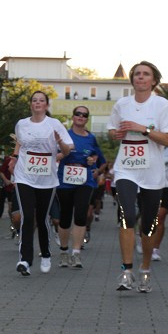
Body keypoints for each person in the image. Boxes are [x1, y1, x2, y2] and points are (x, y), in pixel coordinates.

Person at [107, 61, 168, 292]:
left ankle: (145, 268)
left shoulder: (162, 105)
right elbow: (111, 130)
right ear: (132, 80)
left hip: (152, 171)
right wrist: (115, 134)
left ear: (154, 80)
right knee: (126, 215)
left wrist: (143, 128)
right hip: (126, 167)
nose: (140, 77)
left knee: (148, 225)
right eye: (137, 74)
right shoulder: (122, 104)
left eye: (145, 74)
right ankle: (127, 271)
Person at [12, 91, 73, 275]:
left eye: (41, 100)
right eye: (34, 100)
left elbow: (67, 151)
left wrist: (60, 142)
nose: (37, 103)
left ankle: (45, 253)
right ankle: (25, 260)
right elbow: (20, 144)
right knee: (27, 216)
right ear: (31, 104)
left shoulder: (54, 124)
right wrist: (14, 158)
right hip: (24, 176)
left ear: (47, 105)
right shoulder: (22, 124)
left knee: (42, 218)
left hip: (46, 179)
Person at [55, 106, 105, 268]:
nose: (81, 117)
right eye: (78, 114)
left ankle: (76, 253)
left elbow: (97, 157)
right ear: (73, 116)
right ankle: (64, 251)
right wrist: (65, 153)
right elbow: (54, 156)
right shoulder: (64, 135)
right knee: (65, 216)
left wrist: (92, 161)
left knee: (81, 214)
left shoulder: (91, 138)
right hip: (65, 180)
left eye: (84, 115)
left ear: (87, 119)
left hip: (85, 180)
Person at [151, 145, 168, 261]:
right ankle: (144, 239)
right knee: (149, 218)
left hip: (166, 186)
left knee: (160, 217)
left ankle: (155, 249)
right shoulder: (148, 144)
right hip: (149, 185)